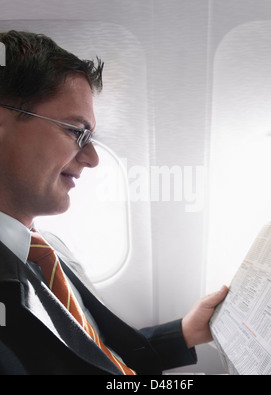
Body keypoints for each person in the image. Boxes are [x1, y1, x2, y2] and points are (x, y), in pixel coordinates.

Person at [0, 30, 228, 375]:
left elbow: (94, 353)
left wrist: (187, 331)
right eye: (77, 132)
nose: (92, 158)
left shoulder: (47, 248)